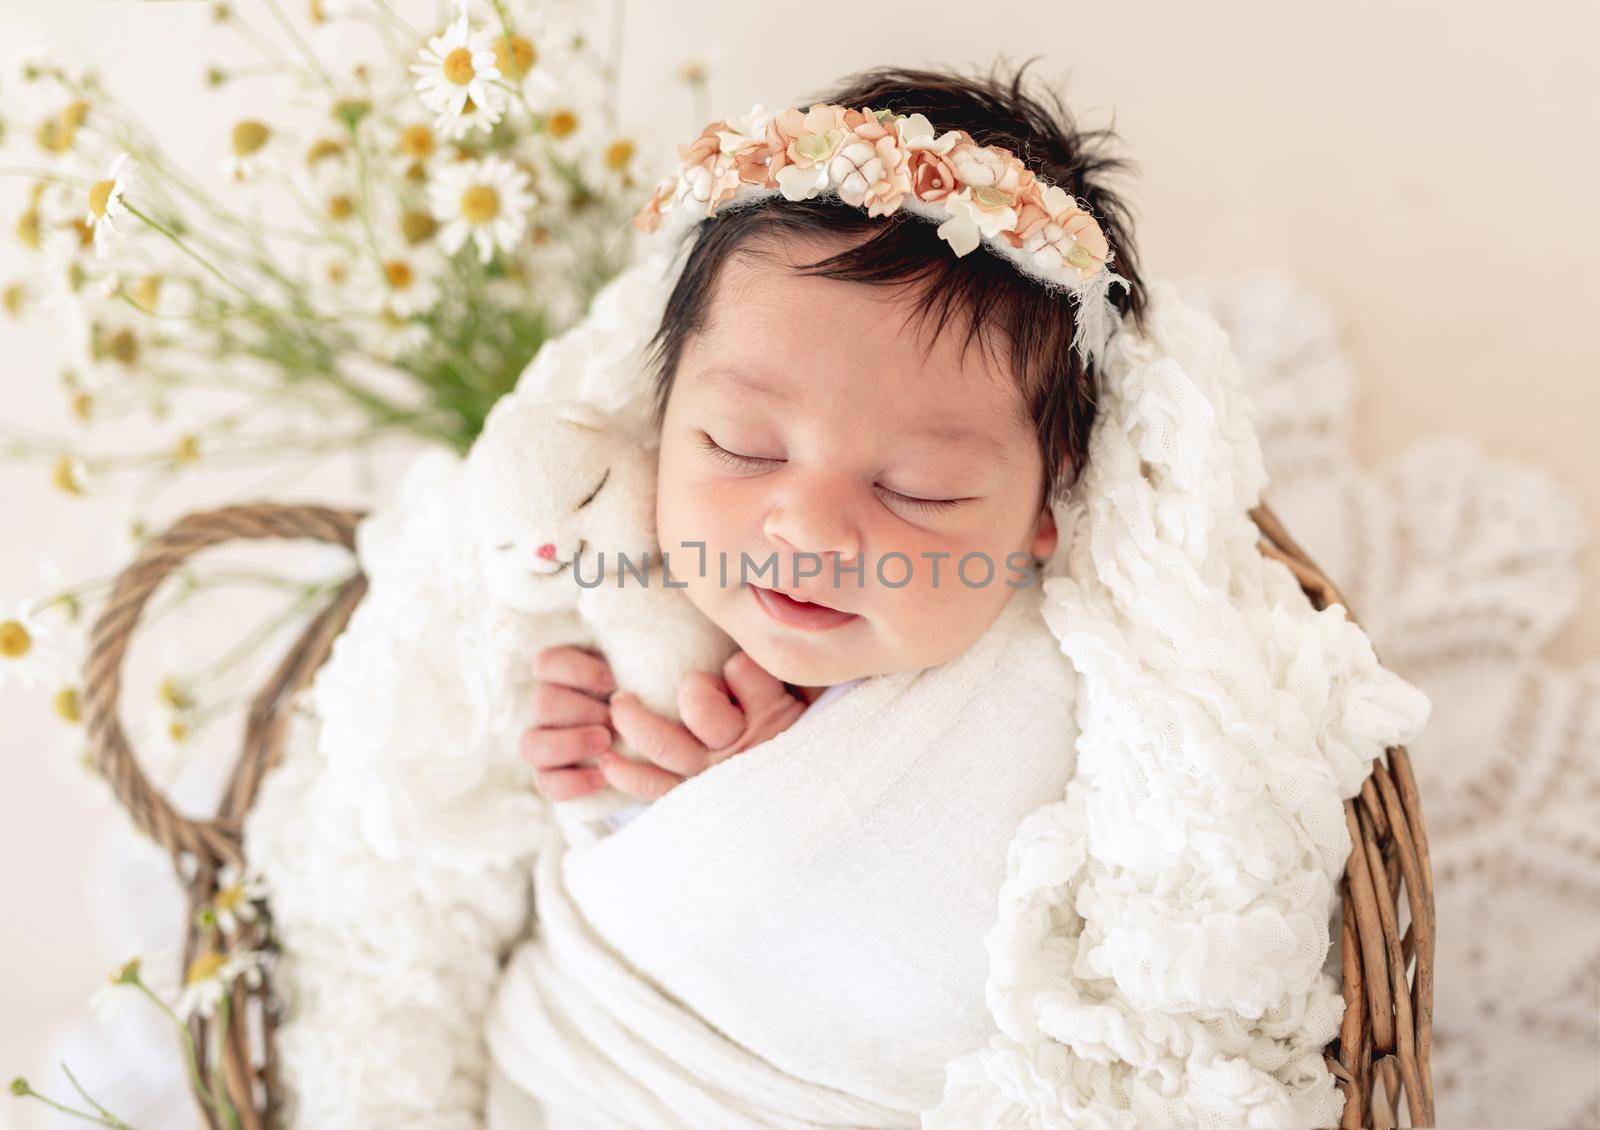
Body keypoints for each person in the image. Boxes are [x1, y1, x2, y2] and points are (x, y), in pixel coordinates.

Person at [517, 60, 1147, 811]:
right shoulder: (628, 616)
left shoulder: (1051, 699)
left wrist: (764, 796)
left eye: (920, 490)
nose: (810, 532)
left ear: (1051, 498)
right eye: (741, 445)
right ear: (662, 420)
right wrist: (595, 768)